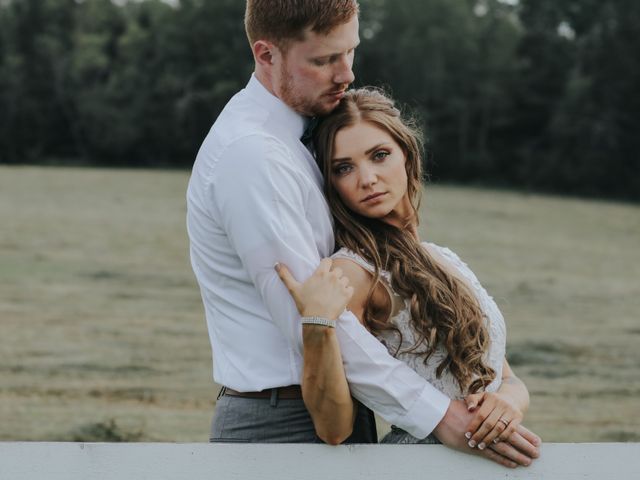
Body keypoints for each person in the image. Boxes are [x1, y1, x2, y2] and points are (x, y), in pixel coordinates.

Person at [187, 0, 538, 466]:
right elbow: (311, 321)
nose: (345, 74)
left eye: (350, 51)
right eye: (323, 60)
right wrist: (441, 418)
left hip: (350, 410)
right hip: (281, 421)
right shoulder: (255, 156)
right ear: (266, 55)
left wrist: (507, 396)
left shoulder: (298, 140)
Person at [276, 87, 537, 457]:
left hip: (487, 459)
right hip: (422, 462)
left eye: (379, 156)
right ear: (330, 184)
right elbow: (333, 427)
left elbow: (504, 376)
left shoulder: (442, 258)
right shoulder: (353, 272)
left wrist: (509, 403)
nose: (367, 179)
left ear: (407, 155)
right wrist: (318, 324)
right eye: (343, 168)